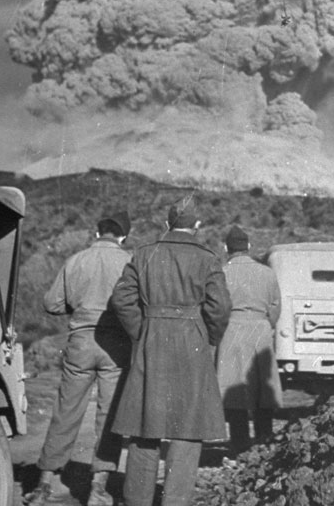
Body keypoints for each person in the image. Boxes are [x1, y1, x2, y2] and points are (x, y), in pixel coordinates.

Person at [110, 201, 231, 506]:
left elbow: (122, 299)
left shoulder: (144, 253)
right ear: (197, 225)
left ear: (167, 223)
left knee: (144, 427)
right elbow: (220, 307)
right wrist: (209, 338)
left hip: (151, 341)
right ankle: (175, 501)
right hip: (192, 342)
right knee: (188, 430)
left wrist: (142, 330)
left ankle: (136, 500)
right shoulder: (207, 258)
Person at [25, 212, 133, 506]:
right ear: (123, 236)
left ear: (98, 232)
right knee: (109, 416)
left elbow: (51, 303)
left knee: (66, 411)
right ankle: (99, 489)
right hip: (116, 345)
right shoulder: (129, 261)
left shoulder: (76, 260)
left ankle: (43, 485)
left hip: (81, 342)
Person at [216, 225, 283, 455]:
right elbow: (275, 307)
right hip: (260, 330)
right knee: (263, 391)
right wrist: (265, 325)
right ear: (249, 247)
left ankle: (239, 445)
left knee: (235, 393)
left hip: (231, 331)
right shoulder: (267, 272)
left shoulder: (221, 272)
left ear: (226, 248)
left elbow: (216, 308)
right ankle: (264, 442)